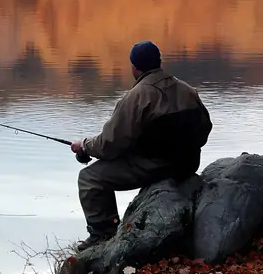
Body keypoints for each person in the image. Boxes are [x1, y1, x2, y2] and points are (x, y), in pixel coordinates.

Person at [69, 40, 213, 251]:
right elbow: (205, 130)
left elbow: (109, 145)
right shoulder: (188, 90)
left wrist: (84, 146)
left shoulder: (137, 97)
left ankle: (103, 235)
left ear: (135, 67)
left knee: (90, 178)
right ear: (158, 62)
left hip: (155, 166)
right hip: (187, 164)